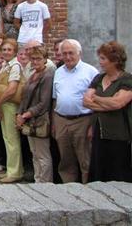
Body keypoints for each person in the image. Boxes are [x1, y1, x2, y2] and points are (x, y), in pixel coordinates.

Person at [84, 41, 132, 182]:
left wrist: (96, 98)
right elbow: (86, 101)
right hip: (99, 131)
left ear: (115, 60)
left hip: (119, 133)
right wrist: (107, 103)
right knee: (99, 170)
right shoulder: (99, 78)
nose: (100, 62)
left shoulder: (127, 79)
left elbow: (118, 103)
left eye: (103, 58)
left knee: (118, 171)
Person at [53, 39, 99, 183]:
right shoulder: (58, 72)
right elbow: (55, 99)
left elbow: (96, 101)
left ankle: (88, 189)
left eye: (71, 53)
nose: (67, 57)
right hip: (61, 120)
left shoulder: (91, 72)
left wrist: (93, 125)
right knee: (66, 160)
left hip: (82, 121)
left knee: (85, 159)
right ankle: (69, 188)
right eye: (64, 53)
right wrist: (54, 122)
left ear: (79, 53)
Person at [15, 46, 54, 183]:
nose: (35, 61)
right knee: (35, 154)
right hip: (29, 120)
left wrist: (25, 115)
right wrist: (19, 114)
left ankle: (45, 184)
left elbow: (44, 102)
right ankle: (38, 181)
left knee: (43, 155)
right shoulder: (33, 74)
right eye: (33, 59)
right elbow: (25, 98)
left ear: (45, 60)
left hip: (40, 120)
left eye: (39, 59)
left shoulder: (47, 75)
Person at [0, 38, 24, 183]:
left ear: (15, 51)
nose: (6, 52)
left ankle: (15, 172)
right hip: (5, 104)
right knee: (7, 138)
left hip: (10, 104)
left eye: (9, 49)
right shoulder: (6, 65)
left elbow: (11, 90)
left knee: (12, 139)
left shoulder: (15, 66)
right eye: (4, 49)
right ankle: (12, 169)